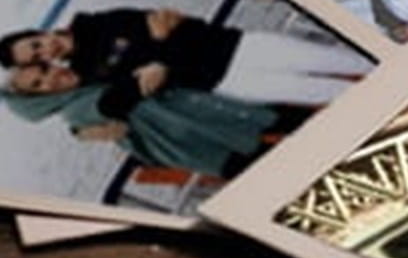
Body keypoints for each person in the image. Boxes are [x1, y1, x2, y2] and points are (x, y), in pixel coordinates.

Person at [0, 6, 373, 109]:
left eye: (36, 43)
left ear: (41, 32)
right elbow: (114, 105)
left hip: (240, 46)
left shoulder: (102, 22)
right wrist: (154, 62)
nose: (43, 52)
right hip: (229, 82)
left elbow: (181, 25)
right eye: (35, 59)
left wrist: (159, 61)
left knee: (351, 62)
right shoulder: (86, 72)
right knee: (333, 95)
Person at [2, 72, 298, 179]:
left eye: (43, 70)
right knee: (278, 168)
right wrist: (149, 69)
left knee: (286, 131)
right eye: (39, 85)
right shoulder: (76, 110)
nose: (50, 78)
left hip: (208, 121)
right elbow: (116, 100)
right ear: (37, 102)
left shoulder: (85, 82)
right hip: (201, 141)